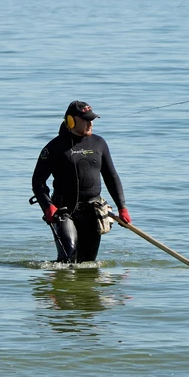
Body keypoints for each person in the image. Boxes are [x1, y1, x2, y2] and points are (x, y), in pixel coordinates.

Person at [31, 101, 129, 263]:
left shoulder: (99, 143)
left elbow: (111, 177)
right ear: (71, 121)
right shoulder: (54, 147)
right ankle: (58, 285)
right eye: (86, 120)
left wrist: (122, 208)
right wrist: (48, 206)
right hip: (64, 212)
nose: (91, 123)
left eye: (92, 120)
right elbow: (38, 182)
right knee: (67, 259)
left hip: (93, 211)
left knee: (88, 262)